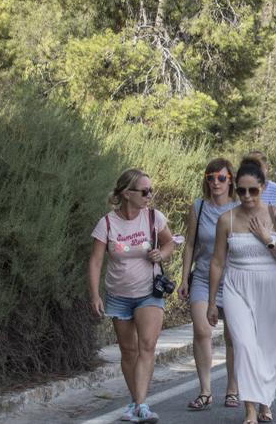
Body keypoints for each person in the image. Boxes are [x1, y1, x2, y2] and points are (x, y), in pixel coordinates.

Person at [207, 163, 276, 424]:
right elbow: (217, 262)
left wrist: (267, 239)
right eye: (242, 191)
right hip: (237, 287)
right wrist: (212, 302)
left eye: (253, 191)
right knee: (245, 345)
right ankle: (249, 411)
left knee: (270, 349)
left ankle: (265, 400)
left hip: (272, 286)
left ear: (263, 188)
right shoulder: (227, 219)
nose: (246, 196)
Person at [87, 169, 175, 424]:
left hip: (149, 292)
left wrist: (162, 254)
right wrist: (94, 295)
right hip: (118, 295)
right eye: (144, 191)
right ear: (127, 194)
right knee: (128, 350)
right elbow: (95, 262)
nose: (150, 195)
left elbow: (169, 243)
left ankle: (141, 405)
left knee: (147, 346)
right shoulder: (106, 223)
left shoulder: (153, 218)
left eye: (151, 190)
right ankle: (137, 402)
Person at [178, 158, 241, 411]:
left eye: (221, 178)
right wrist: (184, 278)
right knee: (202, 330)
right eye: (210, 178)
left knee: (232, 336)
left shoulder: (239, 207)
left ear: (230, 180)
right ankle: (205, 391)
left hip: (234, 279)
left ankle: (233, 390)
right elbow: (191, 244)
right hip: (203, 276)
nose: (216, 182)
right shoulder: (199, 207)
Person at [242, 151, 276, 224]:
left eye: (259, 168)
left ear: (267, 167)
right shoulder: (241, 193)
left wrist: (272, 222)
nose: (256, 171)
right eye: (252, 168)